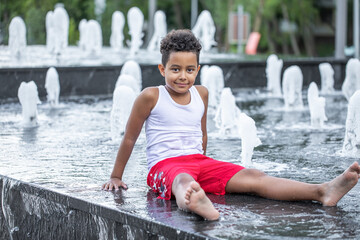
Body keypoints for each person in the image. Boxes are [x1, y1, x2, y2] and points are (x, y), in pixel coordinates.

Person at [103, 29, 360, 221]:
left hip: (199, 162)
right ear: (162, 68)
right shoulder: (151, 96)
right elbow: (129, 138)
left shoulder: (202, 93)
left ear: (198, 69)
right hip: (164, 166)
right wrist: (116, 176)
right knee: (182, 180)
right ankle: (195, 203)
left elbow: (201, 135)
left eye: (190, 69)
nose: (183, 76)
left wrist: (204, 168)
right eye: (175, 69)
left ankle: (322, 191)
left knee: (253, 176)